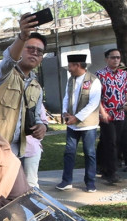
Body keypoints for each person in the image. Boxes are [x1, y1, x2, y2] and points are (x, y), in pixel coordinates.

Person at [0, 13, 47, 158]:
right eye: (30, 48)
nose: (35, 53)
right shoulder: (1, 74)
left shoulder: (36, 87)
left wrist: (42, 127)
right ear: (21, 49)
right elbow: (9, 61)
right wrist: (23, 36)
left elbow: (37, 117)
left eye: (39, 52)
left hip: (15, 151)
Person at [56, 54, 101, 193]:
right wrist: (64, 112)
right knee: (69, 152)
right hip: (71, 124)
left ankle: (90, 182)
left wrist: (77, 117)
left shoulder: (94, 80)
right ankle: (66, 181)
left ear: (77, 65)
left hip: (88, 125)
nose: (68, 69)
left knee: (89, 153)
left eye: (70, 66)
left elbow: (93, 103)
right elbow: (66, 97)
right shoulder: (71, 80)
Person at [95, 48, 127, 184]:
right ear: (106, 59)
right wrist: (102, 112)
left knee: (113, 141)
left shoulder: (124, 75)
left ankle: (101, 165)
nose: (116, 60)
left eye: (118, 57)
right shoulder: (100, 75)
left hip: (121, 113)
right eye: (113, 57)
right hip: (106, 114)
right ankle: (111, 172)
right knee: (111, 142)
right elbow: (96, 96)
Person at [23, 103, 49, 188]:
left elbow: (44, 122)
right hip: (7, 150)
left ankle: (32, 200)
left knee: (31, 184)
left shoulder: (35, 97)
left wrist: (42, 128)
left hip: (30, 148)